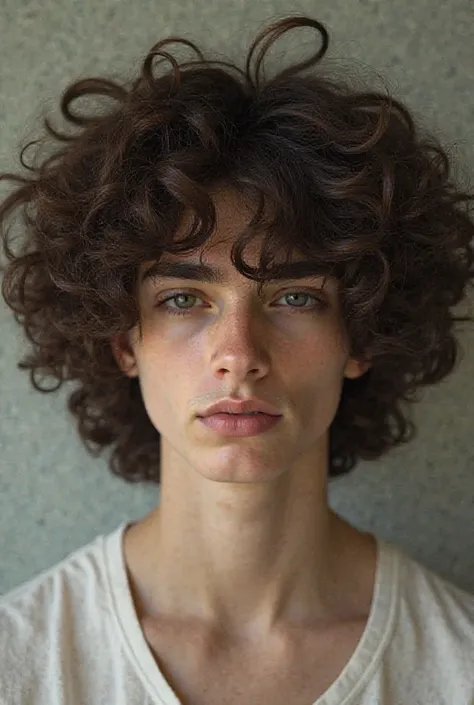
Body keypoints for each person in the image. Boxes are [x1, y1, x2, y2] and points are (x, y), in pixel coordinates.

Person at [0, 13, 473, 705]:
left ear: (363, 336)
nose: (239, 356)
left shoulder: (456, 667)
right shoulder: (23, 662)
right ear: (121, 338)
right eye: (185, 300)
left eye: (295, 297)